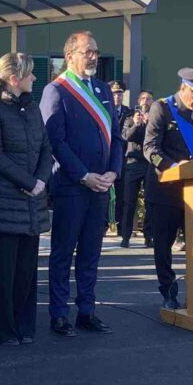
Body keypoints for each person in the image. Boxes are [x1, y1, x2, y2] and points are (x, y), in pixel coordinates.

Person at [40, 31, 121, 336]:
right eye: (87, 51)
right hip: (72, 186)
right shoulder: (56, 90)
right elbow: (55, 142)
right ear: (70, 55)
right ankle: (59, 313)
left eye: (96, 52)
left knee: (91, 252)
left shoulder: (101, 88)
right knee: (64, 252)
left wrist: (113, 172)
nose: (93, 57)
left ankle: (86, 310)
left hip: (101, 185)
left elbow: (116, 138)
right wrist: (83, 175)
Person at [0, 53, 51, 345]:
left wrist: (41, 181)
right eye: (30, 74)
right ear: (13, 78)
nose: (34, 78)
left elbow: (46, 147)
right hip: (5, 201)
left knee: (26, 272)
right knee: (4, 272)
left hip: (32, 202)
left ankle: (25, 326)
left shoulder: (32, 110)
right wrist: (28, 182)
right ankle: (3, 330)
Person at [144, 68, 193, 310]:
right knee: (164, 245)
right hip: (166, 190)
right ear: (183, 88)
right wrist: (175, 167)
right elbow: (150, 149)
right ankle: (168, 291)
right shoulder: (161, 108)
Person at [117, 90, 153, 248]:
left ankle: (148, 236)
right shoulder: (130, 118)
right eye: (143, 98)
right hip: (133, 162)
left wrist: (149, 122)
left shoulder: (155, 118)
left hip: (149, 163)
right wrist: (137, 124)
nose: (146, 101)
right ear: (138, 101)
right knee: (129, 201)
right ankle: (125, 236)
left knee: (150, 201)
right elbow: (126, 137)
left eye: (149, 99)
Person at [108, 80, 131, 234]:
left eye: (120, 93)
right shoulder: (103, 110)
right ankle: (104, 225)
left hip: (124, 158)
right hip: (106, 157)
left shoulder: (129, 112)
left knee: (123, 196)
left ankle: (121, 227)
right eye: (114, 93)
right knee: (104, 194)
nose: (117, 96)